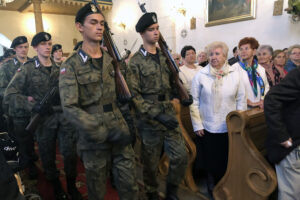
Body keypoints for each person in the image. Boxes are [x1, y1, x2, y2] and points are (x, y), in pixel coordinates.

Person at [59, 3, 138, 200]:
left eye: (102, 23)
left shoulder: (112, 61)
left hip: (119, 131)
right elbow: (69, 107)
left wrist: (129, 125)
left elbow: (126, 94)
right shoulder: (71, 65)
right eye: (93, 22)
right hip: (93, 136)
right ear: (79, 26)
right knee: (97, 191)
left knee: (130, 186)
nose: (99, 27)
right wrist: (97, 128)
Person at [4, 32, 81, 200]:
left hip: (63, 117)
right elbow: (10, 94)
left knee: (69, 153)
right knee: (47, 156)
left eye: (49, 43)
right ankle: (56, 187)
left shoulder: (60, 67)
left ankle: (71, 185)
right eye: (43, 44)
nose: (48, 47)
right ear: (35, 48)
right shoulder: (28, 69)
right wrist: (31, 104)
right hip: (43, 120)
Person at [127, 12, 188, 200]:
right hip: (148, 119)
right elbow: (134, 96)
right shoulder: (135, 61)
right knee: (150, 164)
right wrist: (156, 115)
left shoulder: (164, 57)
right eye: (151, 30)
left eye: (157, 29)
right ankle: (152, 192)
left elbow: (174, 82)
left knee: (180, 156)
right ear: (142, 34)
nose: (156, 33)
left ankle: (171, 191)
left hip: (168, 113)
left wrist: (183, 95)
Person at [190, 41, 246, 192]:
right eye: (211, 54)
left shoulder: (235, 74)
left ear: (225, 56)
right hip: (207, 126)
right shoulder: (201, 75)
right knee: (210, 158)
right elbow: (193, 102)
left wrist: (240, 122)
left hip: (229, 126)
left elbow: (241, 99)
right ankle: (212, 185)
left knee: (227, 157)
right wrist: (197, 124)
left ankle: (226, 185)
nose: (213, 57)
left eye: (217, 54)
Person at [0, 36, 39, 177]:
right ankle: (29, 164)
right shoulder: (7, 67)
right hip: (18, 111)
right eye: (20, 47)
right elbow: (2, 90)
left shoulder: (35, 63)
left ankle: (33, 158)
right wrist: (22, 98)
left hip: (35, 109)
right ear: (15, 49)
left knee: (36, 138)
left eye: (26, 47)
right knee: (23, 140)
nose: (23, 50)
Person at [264, 67, 300, 200]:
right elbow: (271, 99)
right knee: (292, 193)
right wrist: (282, 136)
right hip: (293, 145)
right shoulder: (298, 74)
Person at [232, 37, 269, 109]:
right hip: (242, 108)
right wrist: (249, 102)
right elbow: (232, 90)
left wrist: (262, 100)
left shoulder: (260, 68)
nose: (243, 51)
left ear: (254, 51)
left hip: (260, 107)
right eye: (241, 49)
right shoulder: (234, 69)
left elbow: (266, 86)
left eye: (246, 48)